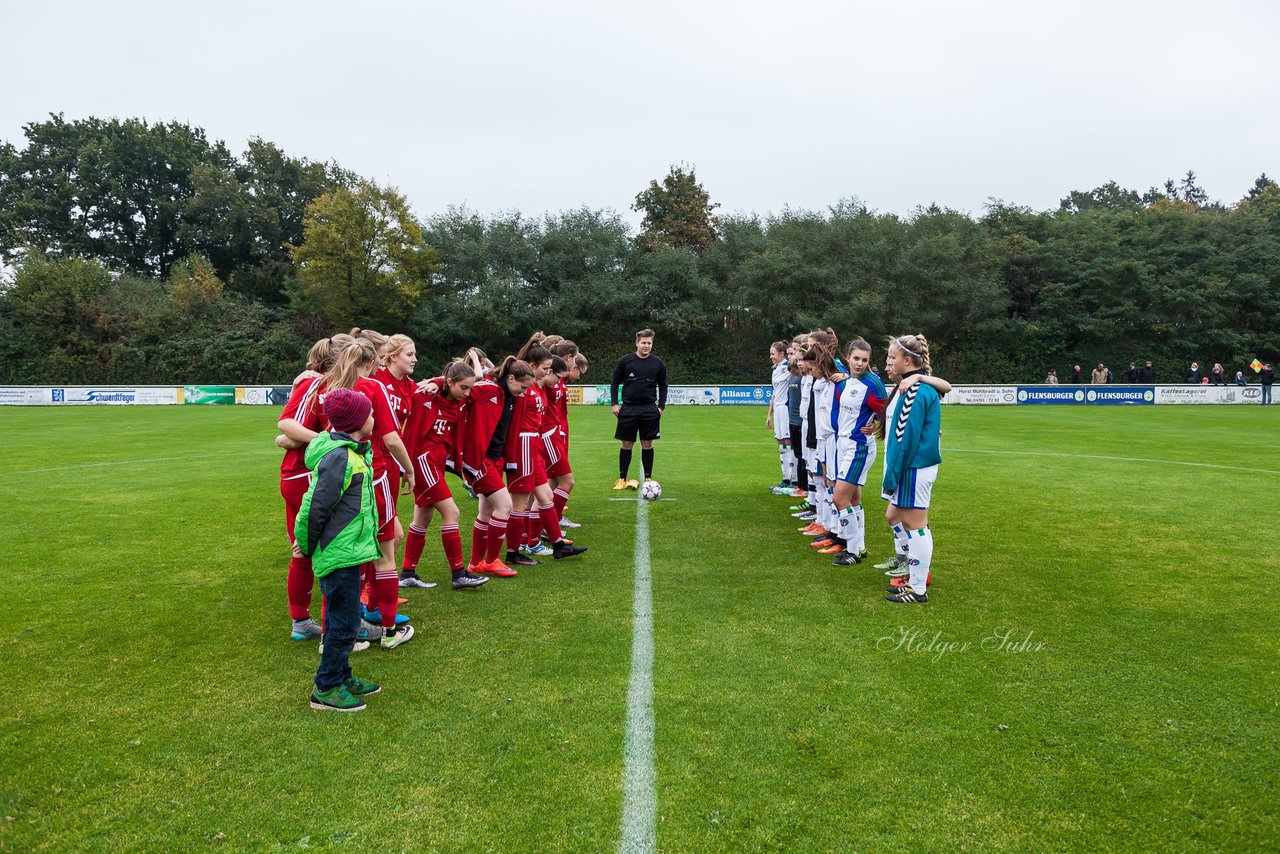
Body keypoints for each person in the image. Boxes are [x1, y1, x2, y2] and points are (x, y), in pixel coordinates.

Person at [297, 388, 384, 712]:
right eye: (370, 414)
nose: (374, 418)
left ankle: (342, 674)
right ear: (357, 421)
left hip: (351, 549)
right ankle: (326, 687)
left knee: (341, 619)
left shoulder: (354, 451)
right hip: (339, 552)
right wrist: (305, 545)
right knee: (345, 622)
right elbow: (315, 507)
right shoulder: (340, 457)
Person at [399, 361, 490, 591]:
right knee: (452, 512)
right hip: (423, 460)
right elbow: (412, 391)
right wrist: (434, 382)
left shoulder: (458, 399)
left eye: (470, 388)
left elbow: (478, 376)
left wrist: (440, 381)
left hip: (436, 462)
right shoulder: (426, 397)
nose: (468, 393)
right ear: (450, 383)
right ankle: (459, 574)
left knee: (423, 517)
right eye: (464, 388)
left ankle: (407, 574)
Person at [880, 334, 942, 604]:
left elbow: (904, 440)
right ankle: (915, 578)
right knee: (906, 521)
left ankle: (917, 588)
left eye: (892, 357)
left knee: (916, 527)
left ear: (907, 361)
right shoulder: (913, 387)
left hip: (913, 468)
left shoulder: (914, 391)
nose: (889, 362)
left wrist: (891, 478)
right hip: (916, 468)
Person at [459, 355, 535, 577]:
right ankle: (492, 560)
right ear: (511, 377)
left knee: (486, 511)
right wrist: (434, 383)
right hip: (479, 459)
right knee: (505, 506)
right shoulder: (489, 390)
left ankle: (475, 564)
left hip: (495, 459)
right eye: (522, 386)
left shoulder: (511, 395)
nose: (524, 392)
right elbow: (460, 384)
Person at [829, 338, 888, 566]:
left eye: (864, 360)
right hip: (843, 444)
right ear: (848, 359)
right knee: (852, 498)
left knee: (838, 498)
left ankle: (852, 550)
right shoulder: (846, 380)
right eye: (856, 359)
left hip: (858, 447)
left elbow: (887, 408)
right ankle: (859, 548)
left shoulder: (873, 383)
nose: (860, 363)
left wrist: (875, 423)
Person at [611, 329, 668, 489]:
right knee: (626, 443)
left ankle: (648, 478)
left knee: (647, 444)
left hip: (649, 409)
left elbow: (663, 385)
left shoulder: (657, 363)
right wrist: (614, 403)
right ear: (637, 343)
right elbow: (615, 381)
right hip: (628, 409)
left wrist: (661, 407)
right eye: (643, 342)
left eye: (649, 343)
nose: (646, 346)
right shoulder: (626, 361)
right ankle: (622, 479)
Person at [766, 342, 795, 494]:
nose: (771, 357)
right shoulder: (777, 369)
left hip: (785, 408)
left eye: (773, 353)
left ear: (782, 354)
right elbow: (775, 393)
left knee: (788, 442)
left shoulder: (788, 368)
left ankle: (793, 479)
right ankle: (785, 478)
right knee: (781, 443)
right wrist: (769, 414)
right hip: (777, 408)